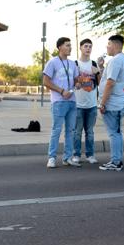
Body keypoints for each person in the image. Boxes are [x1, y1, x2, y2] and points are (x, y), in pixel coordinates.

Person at [42, 37, 80, 168]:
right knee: (56, 130)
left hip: (72, 101)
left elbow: (76, 80)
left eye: (70, 45)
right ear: (60, 47)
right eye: (67, 45)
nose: (70, 48)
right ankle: (51, 158)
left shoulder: (73, 64)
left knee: (70, 131)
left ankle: (67, 158)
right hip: (58, 101)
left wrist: (78, 83)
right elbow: (46, 82)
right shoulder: (52, 62)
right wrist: (61, 91)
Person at [98, 35, 124, 171]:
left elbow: (110, 83)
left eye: (108, 44)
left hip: (112, 104)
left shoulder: (115, 61)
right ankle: (117, 160)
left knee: (114, 133)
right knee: (117, 132)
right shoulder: (122, 59)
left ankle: (116, 162)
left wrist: (102, 103)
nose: (107, 47)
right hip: (118, 102)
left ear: (115, 45)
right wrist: (100, 66)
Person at [72, 38, 100, 164]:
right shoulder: (75, 64)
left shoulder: (94, 64)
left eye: (90, 46)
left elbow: (99, 83)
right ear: (81, 48)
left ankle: (90, 155)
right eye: (86, 46)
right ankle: (76, 154)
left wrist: (98, 72)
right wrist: (76, 83)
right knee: (77, 132)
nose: (88, 49)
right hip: (78, 104)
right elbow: (72, 82)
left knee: (90, 132)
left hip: (92, 104)